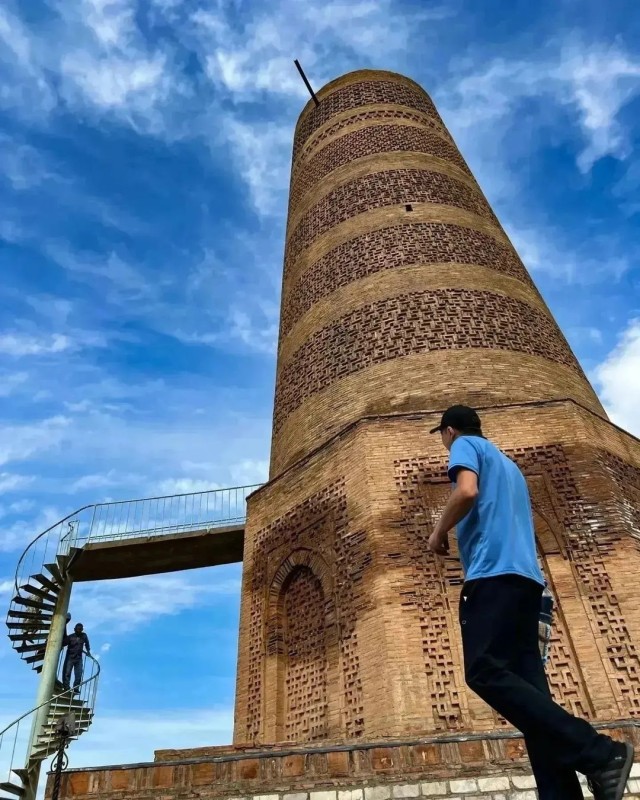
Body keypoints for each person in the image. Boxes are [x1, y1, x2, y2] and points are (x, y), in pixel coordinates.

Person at [427, 405, 633, 800]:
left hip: (493, 579)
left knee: (484, 671)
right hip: (529, 586)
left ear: (449, 431)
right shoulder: (510, 467)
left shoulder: (466, 446)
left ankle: (601, 753)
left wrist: (439, 532)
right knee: (533, 700)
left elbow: (466, 490)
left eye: (443, 436)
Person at [62, 621, 90, 693]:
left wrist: (88, 651)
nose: (79, 630)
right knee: (67, 673)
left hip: (78, 658)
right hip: (70, 657)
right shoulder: (70, 637)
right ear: (74, 629)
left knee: (79, 674)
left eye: (80, 629)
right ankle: (66, 687)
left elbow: (87, 643)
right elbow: (63, 643)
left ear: (82, 630)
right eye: (77, 629)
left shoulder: (84, 635)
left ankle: (76, 688)